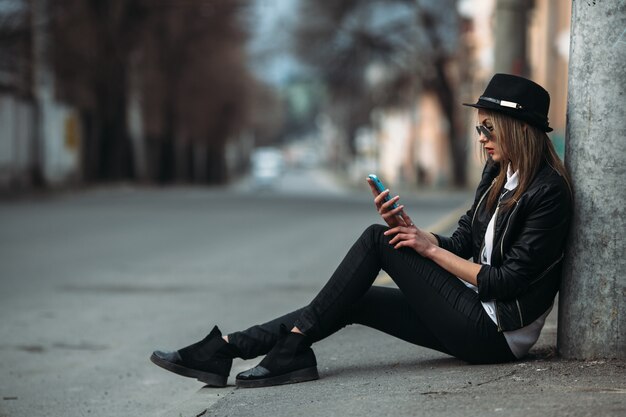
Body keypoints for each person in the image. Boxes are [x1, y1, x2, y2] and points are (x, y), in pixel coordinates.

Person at [150, 73, 572, 389]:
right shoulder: (500, 172)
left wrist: (427, 251)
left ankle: (289, 348)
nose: (481, 139)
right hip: (471, 311)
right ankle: (229, 347)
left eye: (488, 128)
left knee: (375, 241)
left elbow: (507, 281)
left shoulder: (548, 192)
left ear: (518, 128)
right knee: (358, 297)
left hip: (496, 335)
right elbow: (463, 242)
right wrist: (411, 232)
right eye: (479, 128)